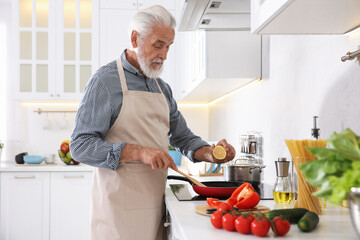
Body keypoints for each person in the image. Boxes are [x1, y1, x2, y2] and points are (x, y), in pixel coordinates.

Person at [70, 5, 236, 240]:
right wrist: (138, 152)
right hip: (117, 212)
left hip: (155, 205)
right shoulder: (104, 83)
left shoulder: (162, 87)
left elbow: (182, 138)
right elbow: (80, 146)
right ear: (135, 38)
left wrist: (210, 153)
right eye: (158, 44)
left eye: (168, 46)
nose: (164, 54)